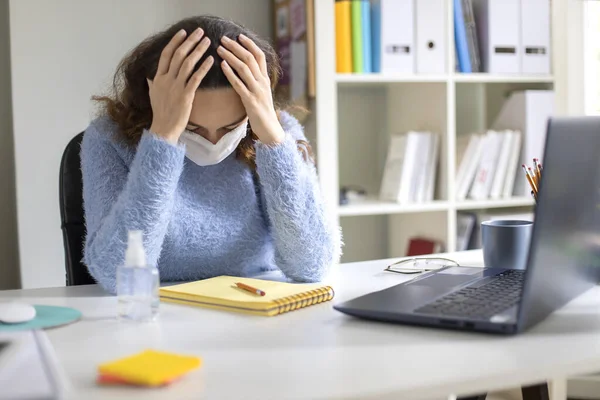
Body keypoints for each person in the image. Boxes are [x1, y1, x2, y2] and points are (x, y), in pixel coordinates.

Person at [81, 15, 341, 294]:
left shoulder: (279, 133)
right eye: (193, 128)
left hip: (258, 303)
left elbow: (313, 264)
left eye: (230, 127)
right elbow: (115, 274)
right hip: (160, 310)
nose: (215, 142)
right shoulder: (108, 139)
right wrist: (162, 140)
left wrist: (273, 142)